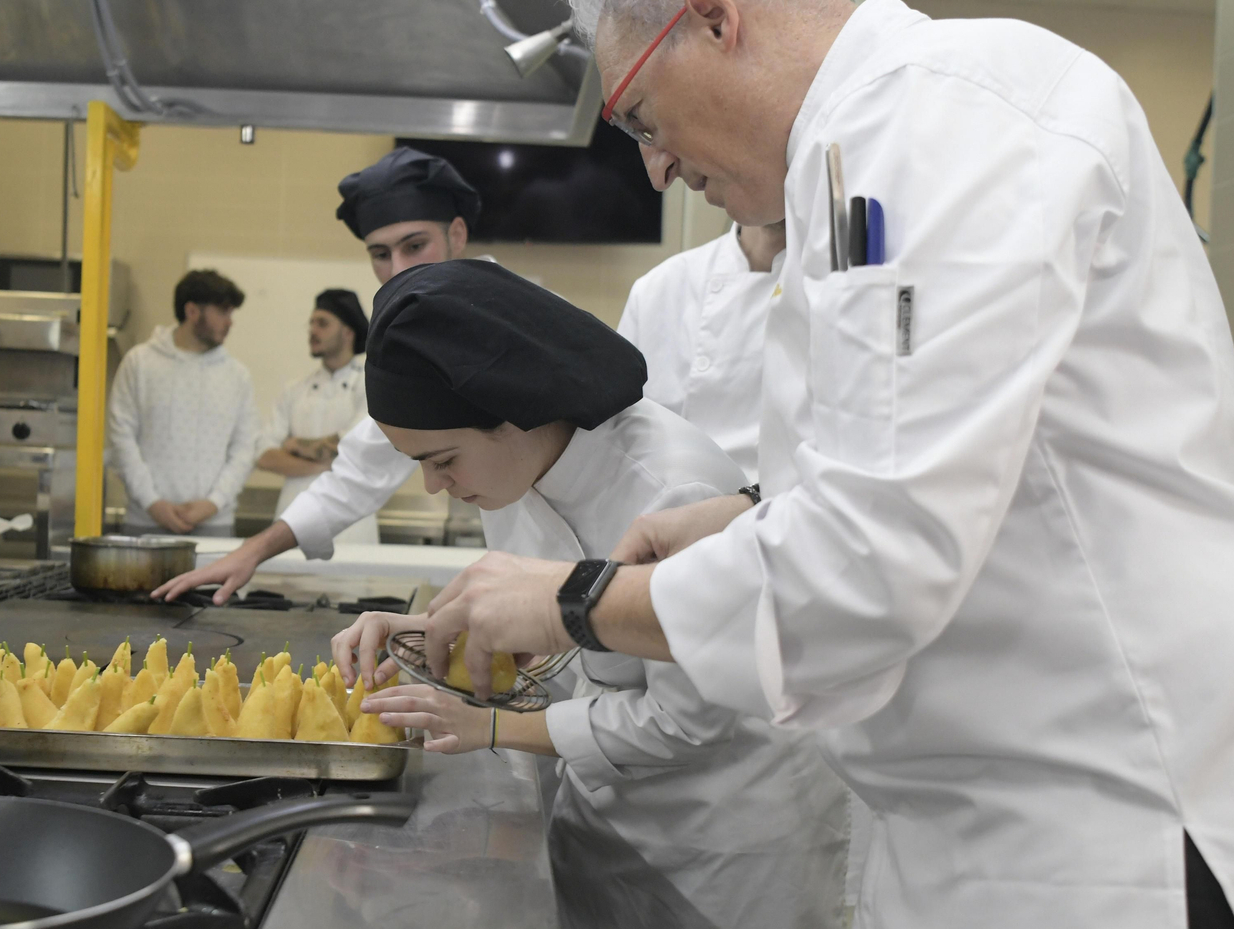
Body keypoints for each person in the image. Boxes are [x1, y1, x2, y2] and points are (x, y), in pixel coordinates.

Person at [414, 0, 1234, 929]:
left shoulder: (936, 113)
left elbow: (874, 555)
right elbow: (951, 465)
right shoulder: (853, 158)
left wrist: (574, 598)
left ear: (711, 17)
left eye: (643, 117)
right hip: (981, 834)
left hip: (1106, 837)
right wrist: (756, 511)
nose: (653, 167)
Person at [332, 259, 847, 929]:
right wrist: (420, 629)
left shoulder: (667, 487)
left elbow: (687, 719)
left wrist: (493, 727)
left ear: (511, 413)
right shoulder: (518, 471)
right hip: (609, 817)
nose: (435, 486)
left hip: (724, 845)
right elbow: (551, 631)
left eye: (442, 460)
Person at [151, 145, 483, 602]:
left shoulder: (505, 316)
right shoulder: (422, 351)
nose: (399, 270)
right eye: (380, 253)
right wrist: (254, 551)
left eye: (414, 245)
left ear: (457, 234)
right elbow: (359, 468)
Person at [618, 219, 784, 482]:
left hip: (775, 514)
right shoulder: (659, 288)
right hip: (656, 507)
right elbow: (616, 441)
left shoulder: (836, 285)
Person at [106, 269, 259, 537]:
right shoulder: (140, 363)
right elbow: (121, 437)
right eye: (223, 312)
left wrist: (214, 503)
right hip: (146, 522)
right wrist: (152, 503)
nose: (230, 322)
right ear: (192, 312)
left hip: (214, 524)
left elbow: (245, 448)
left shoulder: (237, 375)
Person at [256, 288, 379, 545]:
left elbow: (353, 445)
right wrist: (323, 466)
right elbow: (263, 454)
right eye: (311, 323)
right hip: (291, 519)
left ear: (348, 332)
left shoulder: (371, 384)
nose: (312, 330)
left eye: (322, 323)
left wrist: (291, 445)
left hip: (351, 525)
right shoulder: (295, 390)